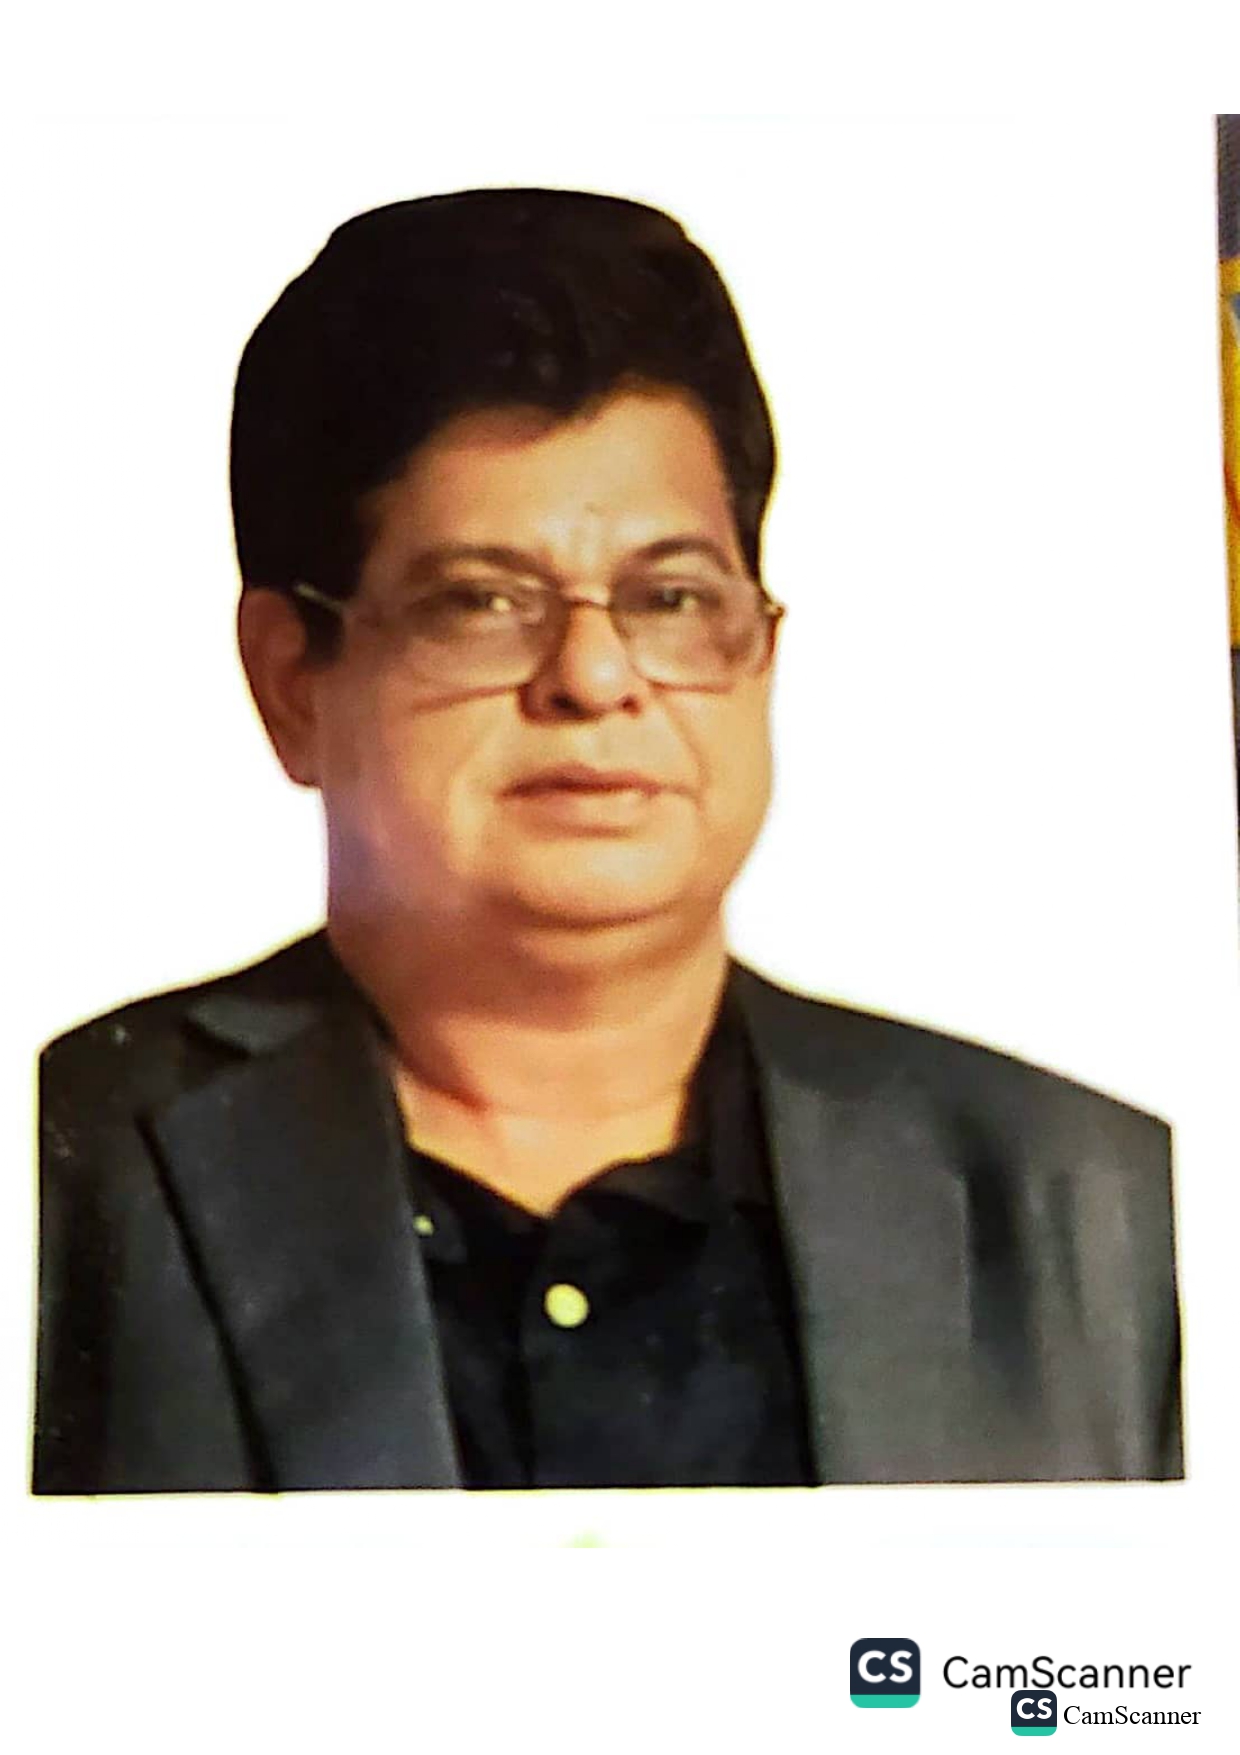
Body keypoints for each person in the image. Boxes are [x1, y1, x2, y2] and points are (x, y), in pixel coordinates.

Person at [34, 188, 1182, 1494]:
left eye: (670, 598)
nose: (593, 675)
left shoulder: (1097, 1210)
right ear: (292, 679)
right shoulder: (65, 1174)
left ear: (759, 654)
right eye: (482, 602)